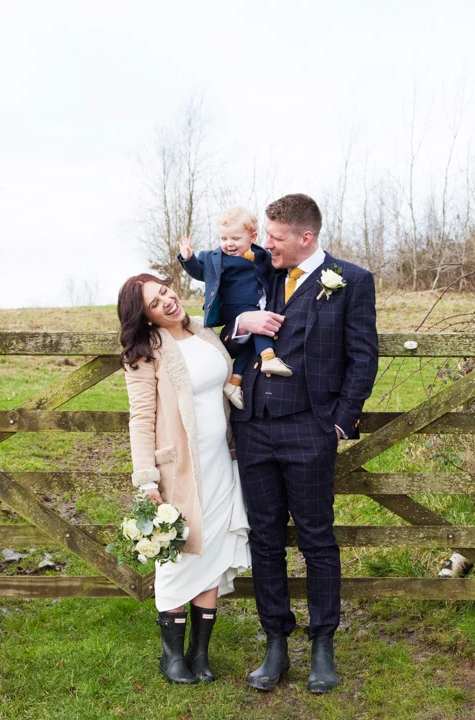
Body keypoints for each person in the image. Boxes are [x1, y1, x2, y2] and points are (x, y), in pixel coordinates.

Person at [225, 193, 378, 694]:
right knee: (265, 538)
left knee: (316, 538)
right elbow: (220, 322)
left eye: (275, 237)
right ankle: (275, 643)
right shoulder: (259, 273)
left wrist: (339, 424)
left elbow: (363, 357)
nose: (266, 244)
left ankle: (322, 645)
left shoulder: (351, 280)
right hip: (254, 426)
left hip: (310, 430)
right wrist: (241, 324)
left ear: (305, 237)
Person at [118, 273, 251, 684]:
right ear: (146, 317)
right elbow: (141, 418)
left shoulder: (205, 333)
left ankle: (200, 653)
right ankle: (172, 657)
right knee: (177, 558)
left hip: (220, 463)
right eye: (155, 304)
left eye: (165, 292)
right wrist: (147, 480)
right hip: (178, 470)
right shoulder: (147, 352)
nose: (168, 302)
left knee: (212, 552)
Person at [178, 206, 291, 411]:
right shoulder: (215, 258)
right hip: (233, 307)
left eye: (235, 238)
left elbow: (274, 272)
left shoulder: (262, 255)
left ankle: (234, 383)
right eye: (224, 238)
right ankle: (268, 357)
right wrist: (188, 258)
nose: (229, 243)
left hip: (256, 304)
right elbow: (200, 272)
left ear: (252, 237)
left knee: (248, 347)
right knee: (258, 322)